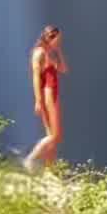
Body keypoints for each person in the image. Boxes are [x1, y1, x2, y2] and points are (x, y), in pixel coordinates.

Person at [24, 24, 67, 171]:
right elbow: (36, 77)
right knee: (55, 136)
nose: (59, 42)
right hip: (48, 94)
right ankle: (31, 158)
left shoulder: (50, 53)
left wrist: (58, 51)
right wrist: (38, 100)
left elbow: (64, 69)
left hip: (53, 92)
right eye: (57, 40)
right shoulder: (39, 53)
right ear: (50, 38)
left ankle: (50, 170)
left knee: (52, 136)